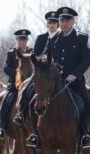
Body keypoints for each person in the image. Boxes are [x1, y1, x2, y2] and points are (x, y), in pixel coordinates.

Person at [43, 6, 90, 148]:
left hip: (74, 82)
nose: (64, 23)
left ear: (73, 22)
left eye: (67, 20)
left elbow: (86, 60)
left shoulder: (81, 38)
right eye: (62, 20)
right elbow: (46, 58)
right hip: (55, 83)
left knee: (87, 104)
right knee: (37, 100)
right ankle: (36, 134)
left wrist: (75, 75)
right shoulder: (54, 39)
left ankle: (84, 135)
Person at [13, 11, 59, 142]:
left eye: (54, 22)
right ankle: (22, 116)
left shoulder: (62, 37)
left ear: (58, 25)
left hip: (59, 74)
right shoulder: (41, 38)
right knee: (27, 89)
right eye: (50, 22)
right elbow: (36, 55)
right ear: (47, 24)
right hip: (42, 72)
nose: (52, 25)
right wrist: (45, 60)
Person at [0, 29, 33, 141]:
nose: (22, 41)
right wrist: (18, 74)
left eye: (24, 39)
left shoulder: (32, 52)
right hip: (14, 85)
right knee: (6, 101)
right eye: (20, 39)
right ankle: (2, 128)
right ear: (17, 40)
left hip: (29, 85)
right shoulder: (11, 53)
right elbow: (6, 68)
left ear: (27, 40)